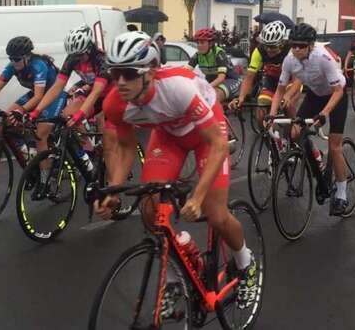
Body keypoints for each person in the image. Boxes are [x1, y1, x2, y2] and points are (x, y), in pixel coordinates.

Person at [95, 31, 259, 308]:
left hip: (207, 134)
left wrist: (197, 197)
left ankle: (246, 263)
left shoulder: (177, 88)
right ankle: (175, 278)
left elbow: (219, 145)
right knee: (149, 208)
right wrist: (114, 189)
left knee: (215, 214)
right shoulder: (115, 103)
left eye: (130, 73)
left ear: (151, 72)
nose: (121, 82)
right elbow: (124, 147)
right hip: (169, 135)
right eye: (115, 74)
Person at [267, 23, 350, 216]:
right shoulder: (289, 59)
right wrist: (271, 116)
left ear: (310, 45)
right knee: (296, 133)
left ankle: (342, 194)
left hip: (336, 96)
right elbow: (280, 91)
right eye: (293, 44)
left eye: (301, 46)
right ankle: (317, 167)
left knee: (335, 146)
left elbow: (338, 91)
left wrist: (325, 114)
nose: (296, 49)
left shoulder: (322, 58)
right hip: (314, 95)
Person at [0, 36, 66, 178]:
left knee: (41, 135)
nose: (13, 62)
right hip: (36, 94)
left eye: (16, 59)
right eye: (11, 58)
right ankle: (29, 152)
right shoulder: (12, 67)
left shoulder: (38, 65)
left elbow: (39, 97)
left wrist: (21, 110)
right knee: (7, 118)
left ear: (27, 57)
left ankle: (46, 179)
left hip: (54, 96)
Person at [30, 24, 112, 129]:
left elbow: (97, 91)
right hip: (92, 95)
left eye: (80, 55)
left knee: (109, 135)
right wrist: (37, 111)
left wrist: (80, 114)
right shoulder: (72, 58)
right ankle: (85, 145)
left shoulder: (100, 59)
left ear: (89, 49)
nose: (77, 58)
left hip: (108, 94)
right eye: (74, 55)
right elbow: (57, 87)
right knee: (68, 118)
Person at [229, 20, 291, 126]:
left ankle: (295, 132)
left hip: (290, 82)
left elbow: (298, 79)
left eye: (272, 46)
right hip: (272, 81)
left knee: (289, 105)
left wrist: (288, 95)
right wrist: (241, 97)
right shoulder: (259, 51)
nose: (268, 49)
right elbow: (249, 77)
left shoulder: (290, 51)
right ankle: (267, 138)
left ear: (282, 43)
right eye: (266, 45)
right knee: (260, 114)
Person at [186, 27, 242, 104]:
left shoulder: (218, 53)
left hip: (230, 80)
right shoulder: (198, 55)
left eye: (202, 42)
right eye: (197, 43)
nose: (199, 45)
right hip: (212, 81)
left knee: (214, 96)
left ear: (211, 43)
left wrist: (206, 87)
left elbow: (221, 78)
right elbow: (185, 72)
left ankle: (218, 116)